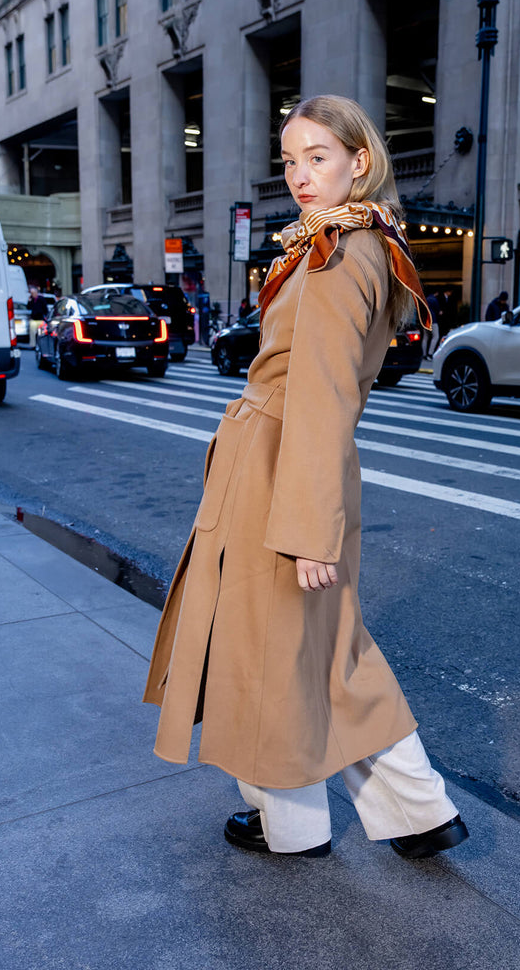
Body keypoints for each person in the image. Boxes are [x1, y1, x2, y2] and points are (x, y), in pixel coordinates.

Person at [144, 95, 469, 860]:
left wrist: (307, 529)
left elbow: (321, 396)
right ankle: (418, 814)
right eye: (289, 160)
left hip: (282, 471)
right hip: (290, 466)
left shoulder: (334, 255)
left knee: (266, 651)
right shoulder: (357, 244)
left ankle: (291, 824)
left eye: (317, 156)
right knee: (324, 653)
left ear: (360, 160)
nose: (298, 175)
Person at [423, 292, 441, 359]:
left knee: (425, 337)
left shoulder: (426, 299)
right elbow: (438, 311)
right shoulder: (434, 299)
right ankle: (430, 354)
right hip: (433, 320)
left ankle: (424, 354)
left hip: (425, 320)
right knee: (436, 336)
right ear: (436, 293)